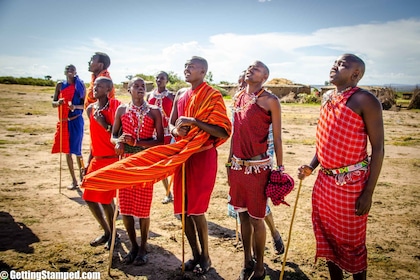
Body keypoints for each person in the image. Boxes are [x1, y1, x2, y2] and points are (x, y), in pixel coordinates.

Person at [298, 54, 384, 280]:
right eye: (335, 62)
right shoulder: (327, 97)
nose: (335, 66)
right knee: (327, 237)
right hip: (324, 183)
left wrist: (368, 193)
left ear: (355, 74)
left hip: (352, 186)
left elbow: (378, 149)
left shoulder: (365, 100)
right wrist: (311, 166)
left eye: (342, 64)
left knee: (353, 243)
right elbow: (325, 140)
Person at [169, 56, 231, 275]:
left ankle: (205, 256)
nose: (186, 69)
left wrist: (194, 122)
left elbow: (223, 131)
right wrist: (177, 130)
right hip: (182, 156)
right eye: (185, 65)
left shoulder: (212, 95)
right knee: (183, 212)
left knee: (196, 211)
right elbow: (171, 123)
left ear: (203, 71)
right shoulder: (179, 94)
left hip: (203, 157)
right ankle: (194, 254)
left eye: (191, 66)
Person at [227, 61, 284, 280]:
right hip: (237, 167)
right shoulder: (239, 97)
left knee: (257, 219)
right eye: (249, 67)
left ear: (265, 76)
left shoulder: (271, 100)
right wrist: (229, 163)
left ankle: (260, 267)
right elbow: (235, 134)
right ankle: (247, 261)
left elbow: (277, 138)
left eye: (257, 68)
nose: (251, 69)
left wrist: (280, 168)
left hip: (258, 168)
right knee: (241, 217)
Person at [112, 78, 164, 265]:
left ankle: (143, 247)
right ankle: (133, 245)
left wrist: (138, 143)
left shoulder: (154, 111)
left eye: (143, 86)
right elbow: (114, 134)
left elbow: (160, 141)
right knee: (125, 207)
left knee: (143, 209)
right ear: (129, 89)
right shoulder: (121, 110)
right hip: (126, 162)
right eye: (136, 86)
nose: (140, 89)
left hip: (145, 162)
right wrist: (118, 142)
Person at [82, 77, 121, 250]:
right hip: (96, 159)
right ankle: (107, 231)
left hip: (111, 160)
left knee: (106, 201)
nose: (94, 88)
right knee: (89, 198)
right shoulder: (90, 109)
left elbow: (119, 133)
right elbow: (93, 139)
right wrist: (88, 162)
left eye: (99, 86)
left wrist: (104, 124)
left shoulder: (116, 107)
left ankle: (114, 235)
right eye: (94, 85)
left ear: (108, 90)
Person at [51, 64, 86, 190]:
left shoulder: (80, 86)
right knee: (67, 151)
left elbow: (84, 105)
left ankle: (83, 178)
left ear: (75, 72)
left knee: (77, 151)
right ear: (64, 72)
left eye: (72, 69)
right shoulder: (60, 85)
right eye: (67, 69)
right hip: (64, 121)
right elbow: (53, 103)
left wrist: (74, 107)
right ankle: (74, 180)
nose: (69, 71)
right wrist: (58, 103)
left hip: (76, 121)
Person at [147, 71, 175, 204]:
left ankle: (176, 191)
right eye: (157, 77)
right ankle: (168, 193)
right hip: (154, 134)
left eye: (162, 78)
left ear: (167, 81)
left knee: (171, 163)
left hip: (169, 134)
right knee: (160, 164)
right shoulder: (149, 95)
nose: (159, 80)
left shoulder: (171, 96)